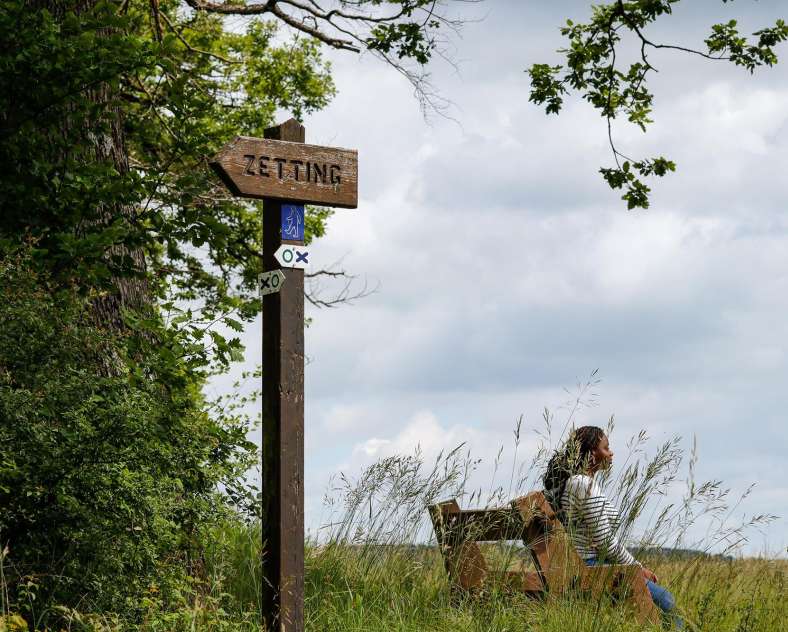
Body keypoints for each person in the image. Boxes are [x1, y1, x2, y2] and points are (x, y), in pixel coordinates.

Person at [543, 425, 683, 628]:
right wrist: (637, 568)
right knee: (667, 602)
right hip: (591, 567)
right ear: (592, 454)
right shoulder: (583, 484)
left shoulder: (578, 483)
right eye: (606, 448)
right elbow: (604, 541)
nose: (611, 453)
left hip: (590, 564)